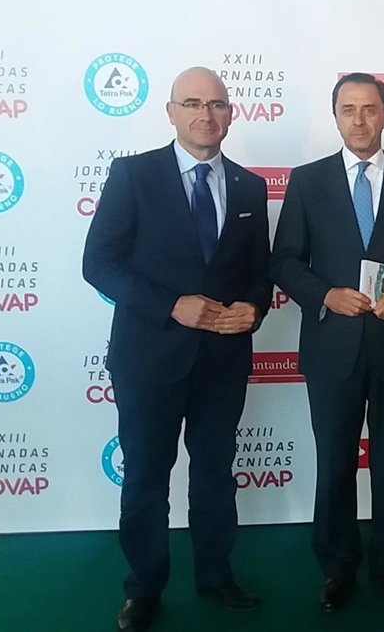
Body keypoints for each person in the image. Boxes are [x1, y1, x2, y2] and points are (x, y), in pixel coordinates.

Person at [82, 67, 272, 632]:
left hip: (222, 361)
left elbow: (258, 272)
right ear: (170, 112)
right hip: (148, 360)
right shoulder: (133, 174)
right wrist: (172, 305)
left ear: (231, 114)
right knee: (146, 477)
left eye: (216, 104)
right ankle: (143, 589)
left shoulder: (249, 186)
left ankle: (216, 576)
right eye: (192, 103)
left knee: (214, 474)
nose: (205, 115)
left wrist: (254, 307)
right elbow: (99, 263)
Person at [271, 72, 384, 611]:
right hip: (332, 348)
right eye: (349, 109)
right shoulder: (307, 181)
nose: (360, 120)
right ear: (336, 117)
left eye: (370, 109)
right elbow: (285, 261)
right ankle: (337, 566)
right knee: (335, 463)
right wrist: (325, 295)